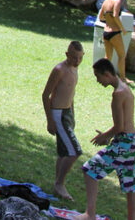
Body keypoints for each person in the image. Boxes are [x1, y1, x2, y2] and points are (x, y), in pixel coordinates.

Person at [77, 58, 135, 220]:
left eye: (98, 76)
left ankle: (89, 214)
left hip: (124, 143)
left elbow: (119, 126)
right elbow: (123, 126)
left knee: (90, 169)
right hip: (131, 140)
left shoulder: (118, 94)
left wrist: (104, 136)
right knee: (129, 184)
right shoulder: (125, 88)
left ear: (107, 74)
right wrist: (111, 137)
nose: (98, 81)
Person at [42, 40, 85, 201]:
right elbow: (46, 95)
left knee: (64, 151)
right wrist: (49, 121)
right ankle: (60, 183)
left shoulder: (75, 69)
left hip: (67, 113)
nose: (77, 61)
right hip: (57, 114)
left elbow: (70, 94)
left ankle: (57, 185)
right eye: (74, 57)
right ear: (67, 54)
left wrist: (72, 114)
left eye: (80, 58)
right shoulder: (59, 70)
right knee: (75, 151)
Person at [97, 0, 132, 84]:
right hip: (114, 32)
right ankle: (123, 78)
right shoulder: (117, 1)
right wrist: (122, 28)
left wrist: (108, 19)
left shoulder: (105, 1)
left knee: (108, 57)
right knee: (121, 56)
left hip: (106, 32)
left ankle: (100, 74)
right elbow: (116, 16)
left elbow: (100, 17)